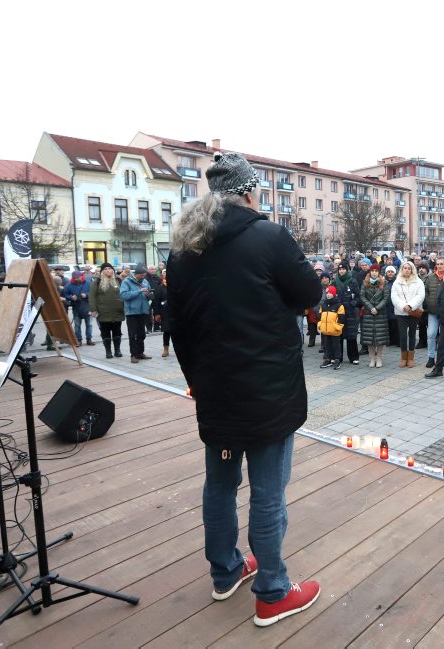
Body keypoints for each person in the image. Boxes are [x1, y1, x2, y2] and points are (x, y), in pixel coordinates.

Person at [167, 152, 322, 626]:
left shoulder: (183, 248)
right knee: (269, 492)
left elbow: (177, 325)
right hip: (267, 391)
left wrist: (195, 380)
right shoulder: (268, 236)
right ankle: (273, 592)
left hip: (215, 390)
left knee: (220, 483)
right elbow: (311, 294)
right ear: (250, 192)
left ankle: (225, 571)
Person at [390, 260, 424, 368]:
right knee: (403, 335)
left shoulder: (418, 281)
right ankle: (403, 357)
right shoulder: (397, 282)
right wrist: (402, 306)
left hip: (413, 311)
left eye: (409, 268)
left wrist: (410, 306)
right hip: (401, 312)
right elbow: (394, 297)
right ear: (402, 269)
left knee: (412, 334)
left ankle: (411, 358)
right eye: (405, 268)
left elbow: (420, 295)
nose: (407, 270)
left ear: (412, 269)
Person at [88, 262, 125, 359]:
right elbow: (92, 296)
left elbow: (123, 294)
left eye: (109, 268)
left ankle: (117, 350)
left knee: (117, 332)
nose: (108, 270)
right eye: (105, 269)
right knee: (105, 332)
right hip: (103, 311)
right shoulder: (97, 281)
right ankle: (108, 351)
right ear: (102, 271)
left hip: (117, 311)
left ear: (113, 270)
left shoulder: (118, 280)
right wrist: (93, 309)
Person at [120, 267, 152, 363]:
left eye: (144, 275)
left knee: (141, 334)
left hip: (143, 311)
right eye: (141, 275)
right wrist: (139, 291)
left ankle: (140, 353)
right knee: (132, 334)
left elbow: (150, 295)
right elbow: (123, 295)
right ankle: (133, 355)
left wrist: (149, 295)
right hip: (132, 313)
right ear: (136, 274)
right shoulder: (127, 282)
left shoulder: (145, 281)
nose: (143, 277)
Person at [360, 265, 389, 368]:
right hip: (368, 313)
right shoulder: (365, 282)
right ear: (370, 272)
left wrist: (377, 308)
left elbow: (386, 298)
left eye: (376, 271)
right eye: (372, 271)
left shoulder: (383, 283)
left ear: (379, 272)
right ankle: (372, 359)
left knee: (380, 338)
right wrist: (371, 307)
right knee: (369, 339)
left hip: (380, 314)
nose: (374, 273)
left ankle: (379, 358)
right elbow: (362, 296)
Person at [332, 261, 361, 364]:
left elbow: (358, 297)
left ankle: (353, 357)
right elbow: (330, 296)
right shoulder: (334, 282)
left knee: (351, 335)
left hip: (350, 313)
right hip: (338, 313)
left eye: (343, 269)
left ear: (347, 270)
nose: (342, 271)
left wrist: (352, 304)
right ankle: (338, 357)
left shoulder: (353, 281)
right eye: (340, 269)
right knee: (338, 335)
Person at [422, 257, 444, 368]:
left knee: (443, 337)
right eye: (438, 264)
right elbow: (426, 292)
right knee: (431, 334)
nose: (440, 266)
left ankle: (442, 358)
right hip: (433, 312)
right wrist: (428, 304)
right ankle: (431, 357)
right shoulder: (431, 278)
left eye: (442, 264)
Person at [64, 270, 94, 346]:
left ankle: (89, 339)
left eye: (78, 277)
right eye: (75, 278)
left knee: (89, 324)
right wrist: (71, 297)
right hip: (76, 307)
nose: (77, 279)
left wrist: (86, 295)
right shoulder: (69, 285)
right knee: (77, 325)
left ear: (82, 276)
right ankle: (78, 340)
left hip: (87, 306)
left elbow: (93, 293)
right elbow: (65, 295)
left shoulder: (88, 283)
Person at [319, 285, 346, 368]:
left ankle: (337, 360)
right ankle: (327, 359)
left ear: (334, 294)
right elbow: (320, 316)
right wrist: (320, 325)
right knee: (326, 345)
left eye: (330, 293)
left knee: (336, 345)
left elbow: (341, 318)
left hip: (335, 330)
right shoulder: (323, 305)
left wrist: (337, 327)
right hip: (325, 330)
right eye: (327, 293)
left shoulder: (339, 305)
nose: (328, 294)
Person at [153, 268, 173, 357]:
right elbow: (156, 301)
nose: (166, 275)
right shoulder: (160, 287)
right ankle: (166, 349)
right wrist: (156, 313)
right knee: (167, 331)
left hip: (176, 312)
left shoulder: (176, 285)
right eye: (164, 273)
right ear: (163, 275)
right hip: (165, 313)